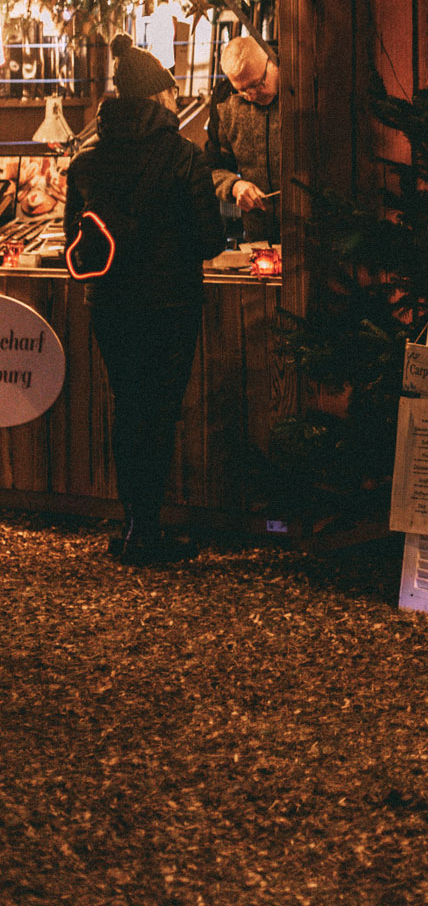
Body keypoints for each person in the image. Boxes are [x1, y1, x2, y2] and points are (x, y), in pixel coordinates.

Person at [64, 34, 225, 563]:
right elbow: (208, 241)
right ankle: (147, 534)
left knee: (127, 408)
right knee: (158, 414)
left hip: (108, 305)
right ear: (159, 97)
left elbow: (74, 243)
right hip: (170, 307)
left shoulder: (87, 162)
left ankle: (134, 525)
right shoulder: (184, 157)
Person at [207, 36, 282, 244]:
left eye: (257, 84)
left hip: (311, 231)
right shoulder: (225, 100)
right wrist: (235, 186)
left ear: (272, 63)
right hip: (257, 237)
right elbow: (213, 167)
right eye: (242, 90)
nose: (251, 95)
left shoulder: (303, 87)